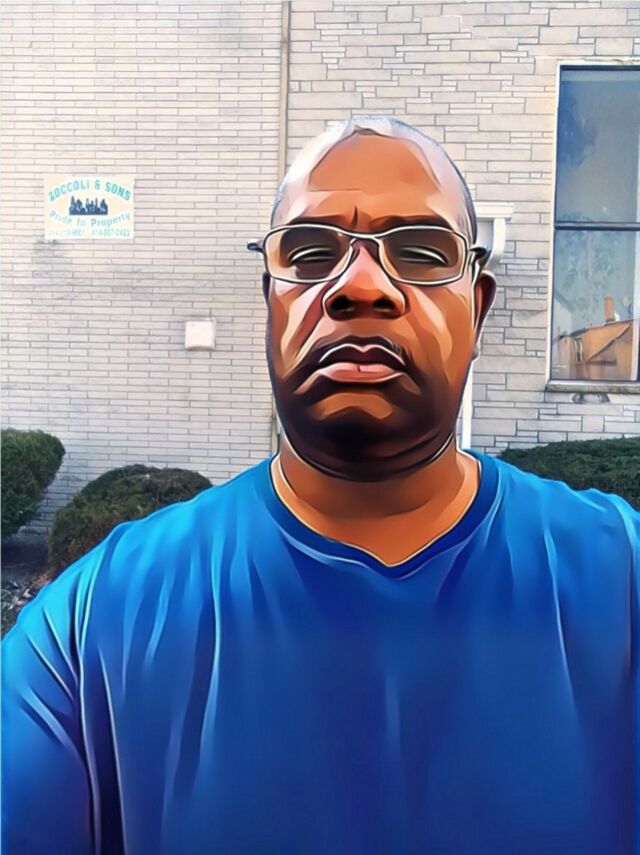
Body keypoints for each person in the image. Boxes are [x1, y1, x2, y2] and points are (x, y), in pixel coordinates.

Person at [2, 115, 638, 855]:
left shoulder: (622, 581)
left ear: (479, 306)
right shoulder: (89, 634)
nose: (360, 286)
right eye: (310, 253)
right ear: (269, 301)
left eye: (420, 252)